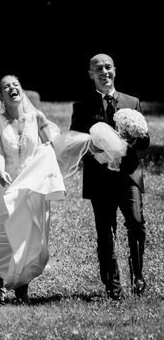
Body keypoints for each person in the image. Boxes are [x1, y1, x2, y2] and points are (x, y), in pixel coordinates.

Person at [70, 53, 150, 300]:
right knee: (105, 231)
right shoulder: (81, 106)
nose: (104, 72)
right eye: (98, 69)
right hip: (100, 178)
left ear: (114, 70)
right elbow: (75, 142)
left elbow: (146, 141)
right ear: (90, 74)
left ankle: (138, 276)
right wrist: (93, 150)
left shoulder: (131, 101)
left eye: (108, 67)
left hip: (129, 175)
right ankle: (113, 287)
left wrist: (133, 137)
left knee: (136, 223)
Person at [0, 75, 66, 304]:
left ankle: (22, 288)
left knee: (28, 235)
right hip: (7, 184)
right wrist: (1, 172)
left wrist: (50, 177)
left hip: (33, 184)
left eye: (15, 85)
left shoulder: (37, 117)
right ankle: (1, 283)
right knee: (5, 235)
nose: (11, 88)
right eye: (5, 87)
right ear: (1, 96)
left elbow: (50, 149)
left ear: (20, 90)